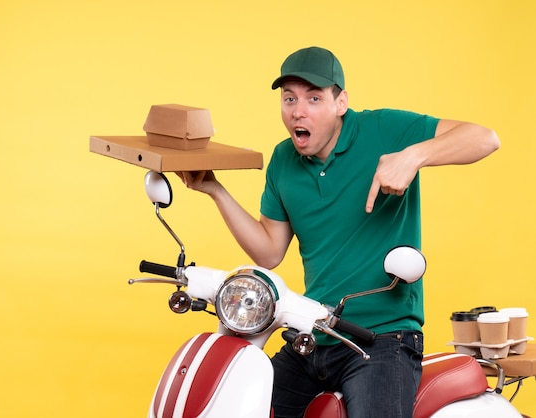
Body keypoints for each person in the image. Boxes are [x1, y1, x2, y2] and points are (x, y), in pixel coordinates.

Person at [177, 46, 500, 418]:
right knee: (242, 403)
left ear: (340, 102)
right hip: (315, 332)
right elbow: (269, 252)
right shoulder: (283, 160)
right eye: (289, 98)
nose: (298, 110)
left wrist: (412, 156)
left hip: (383, 338)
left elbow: (485, 138)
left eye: (314, 98)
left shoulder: (384, 130)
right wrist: (215, 190)